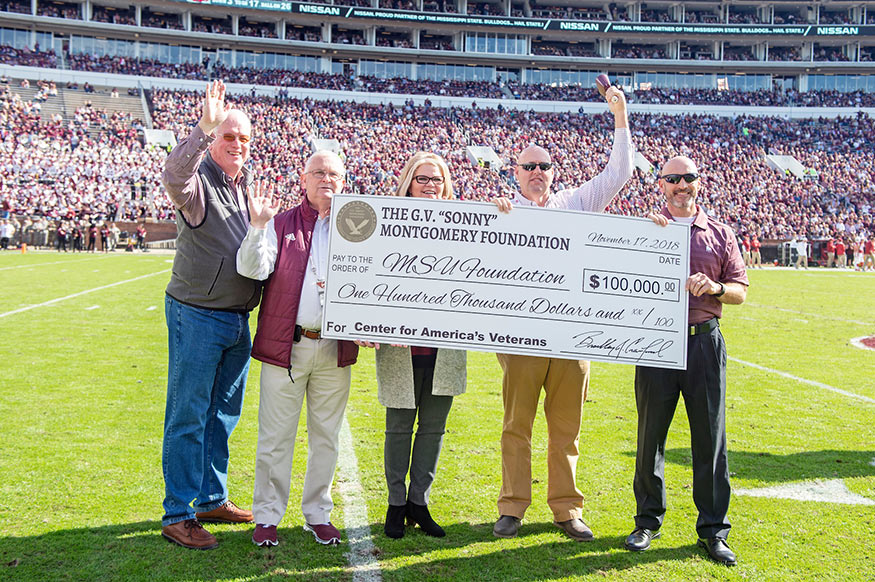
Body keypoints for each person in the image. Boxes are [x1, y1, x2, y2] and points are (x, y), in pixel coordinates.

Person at [490, 83, 633, 541]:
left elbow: (619, 173)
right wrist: (497, 219)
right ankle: (512, 506)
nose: (536, 172)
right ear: (515, 172)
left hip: (571, 338)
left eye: (544, 166)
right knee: (516, 426)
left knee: (566, 429)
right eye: (528, 166)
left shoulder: (576, 202)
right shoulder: (503, 210)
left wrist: (620, 116)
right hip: (522, 338)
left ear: (555, 172)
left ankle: (566, 509)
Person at [625, 156, 748, 567]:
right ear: (660, 185)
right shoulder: (643, 228)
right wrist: (641, 240)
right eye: (673, 178)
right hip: (655, 343)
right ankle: (647, 521)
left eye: (688, 177)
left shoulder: (720, 233)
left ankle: (714, 530)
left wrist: (714, 287)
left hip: (703, 343)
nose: (682, 184)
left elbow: (740, 291)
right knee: (650, 438)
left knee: (710, 441)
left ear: (700, 182)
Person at [236, 150, 359, 548]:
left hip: (334, 348)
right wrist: (257, 227)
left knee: (327, 435)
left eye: (335, 174)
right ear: (303, 179)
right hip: (286, 346)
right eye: (319, 172)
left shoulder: (357, 225)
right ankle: (268, 515)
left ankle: (317, 513)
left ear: (344, 181)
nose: (327, 179)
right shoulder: (281, 222)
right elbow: (253, 268)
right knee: (276, 435)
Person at [160, 80, 262, 550]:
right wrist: (202, 128)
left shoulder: (245, 189)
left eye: (243, 138)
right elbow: (174, 176)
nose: (236, 144)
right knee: (188, 415)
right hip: (199, 315)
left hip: (237, 320)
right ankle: (178, 514)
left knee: (222, 415)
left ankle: (211, 497)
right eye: (228, 136)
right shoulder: (200, 183)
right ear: (214, 140)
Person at [357, 152, 467, 539]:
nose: (430, 186)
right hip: (400, 347)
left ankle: (419, 503)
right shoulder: (386, 223)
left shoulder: (465, 226)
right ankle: (395, 503)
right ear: (407, 182)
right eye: (422, 179)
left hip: (444, 350)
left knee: (433, 429)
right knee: (399, 427)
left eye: (436, 179)